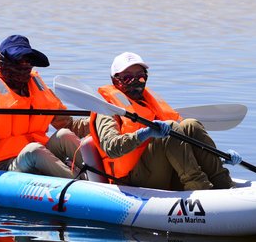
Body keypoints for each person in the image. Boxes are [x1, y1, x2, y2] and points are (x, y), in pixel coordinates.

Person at [88, 52, 242, 191]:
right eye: (128, 77)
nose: (136, 81)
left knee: (190, 125)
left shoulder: (149, 103)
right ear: (116, 80)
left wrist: (218, 157)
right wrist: (144, 134)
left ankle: (223, 182)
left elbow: (185, 138)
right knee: (170, 128)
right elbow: (111, 148)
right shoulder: (106, 108)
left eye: (140, 76)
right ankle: (199, 187)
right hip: (131, 178)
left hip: (159, 170)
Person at [0, 35, 89, 178]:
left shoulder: (42, 92)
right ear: (5, 63)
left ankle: (100, 174)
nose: (25, 66)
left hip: (42, 152)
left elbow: (70, 125)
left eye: (28, 61)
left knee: (64, 134)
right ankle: (78, 181)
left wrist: (97, 119)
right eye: (20, 60)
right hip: (9, 163)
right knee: (33, 150)